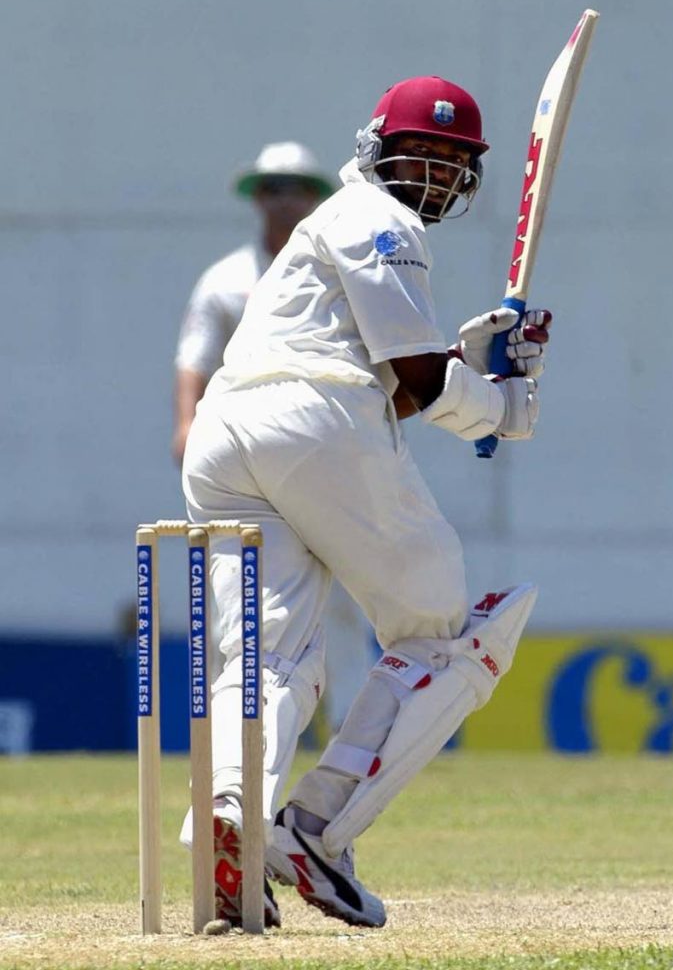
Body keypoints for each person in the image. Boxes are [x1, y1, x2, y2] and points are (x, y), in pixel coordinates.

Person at [181, 76, 552, 930]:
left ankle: (228, 825)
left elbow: (399, 384)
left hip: (227, 433)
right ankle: (316, 827)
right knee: (448, 635)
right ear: (375, 153)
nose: (431, 171)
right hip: (312, 420)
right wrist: (506, 406)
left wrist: (470, 356)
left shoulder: (331, 225)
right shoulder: (383, 220)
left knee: (273, 656)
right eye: (420, 152)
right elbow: (413, 382)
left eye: (450, 160)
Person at [172, 141, 334, 464]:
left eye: (296, 189)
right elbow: (195, 359)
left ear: (313, 198)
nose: (286, 201)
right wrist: (186, 425)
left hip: (322, 436)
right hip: (241, 435)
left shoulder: (336, 275)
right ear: (258, 197)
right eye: (275, 189)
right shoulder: (224, 280)